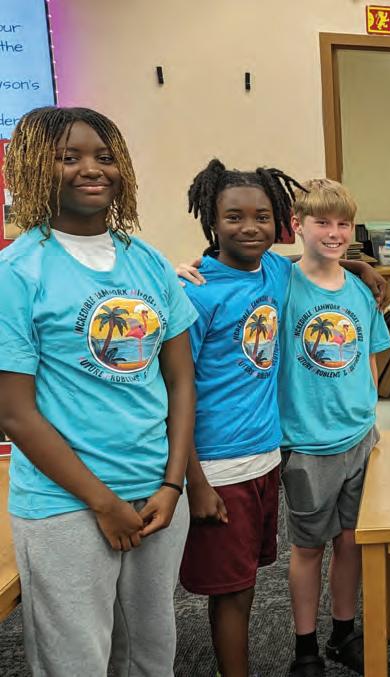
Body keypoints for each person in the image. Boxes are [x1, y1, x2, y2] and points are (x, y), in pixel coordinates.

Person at [0, 106, 196, 675]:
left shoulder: (148, 261)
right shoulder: (17, 271)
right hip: (66, 504)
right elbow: (15, 414)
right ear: (34, 167)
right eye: (69, 157)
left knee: (151, 654)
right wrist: (103, 503)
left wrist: (173, 483)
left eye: (104, 156)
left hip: (157, 494)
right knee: (76, 662)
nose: (92, 169)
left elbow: (181, 380)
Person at [178, 159, 304, 677]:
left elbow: (305, 262)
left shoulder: (274, 268)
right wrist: (194, 481)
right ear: (211, 220)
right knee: (229, 591)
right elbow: (175, 392)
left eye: (262, 216)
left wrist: (360, 269)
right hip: (218, 466)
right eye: (234, 217)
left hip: (265, 456)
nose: (250, 228)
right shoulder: (196, 291)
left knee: (247, 578)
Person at [280, 178, 390, 677]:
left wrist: (371, 416)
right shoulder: (280, 285)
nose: (334, 233)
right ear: (297, 225)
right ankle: (305, 647)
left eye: (343, 224)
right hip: (307, 443)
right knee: (308, 547)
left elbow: (370, 357)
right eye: (322, 222)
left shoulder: (360, 290)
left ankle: (342, 632)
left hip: (360, 439)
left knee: (352, 541)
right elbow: (232, 267)